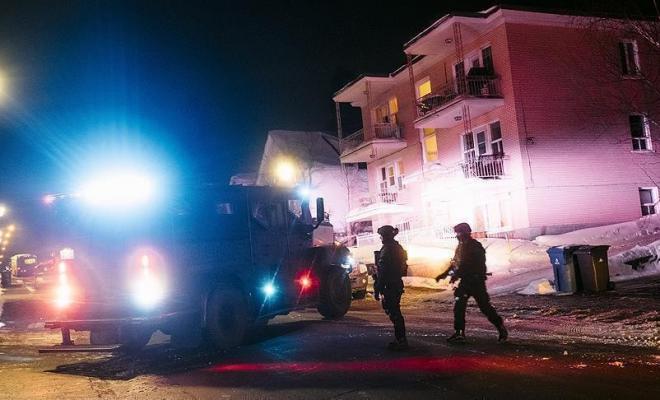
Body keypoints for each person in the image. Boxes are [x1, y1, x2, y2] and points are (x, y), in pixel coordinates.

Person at [436, 222, 508, 343]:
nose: (457, 236)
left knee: (485, 307)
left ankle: (500, 327)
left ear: (465, 233)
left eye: (459, 233)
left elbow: (468, 264)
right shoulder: (460, 247)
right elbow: (455, 263)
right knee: (459, 306)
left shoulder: (474, 246)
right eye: (457, 233)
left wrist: (457, 274)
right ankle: (459, 332)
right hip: (465, 282)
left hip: (476, 282)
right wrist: (444, 274)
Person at [374, 225, 408, 351]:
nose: (381, 238)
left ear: (386, 236)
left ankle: (401, 340)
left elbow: (384, 271)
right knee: (394, 311)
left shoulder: (388, 249)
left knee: (394, 312)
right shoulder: (397, 247)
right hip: (396, 283)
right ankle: (400, 339)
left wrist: (378, 287)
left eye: (382, 236)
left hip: (390, 284)